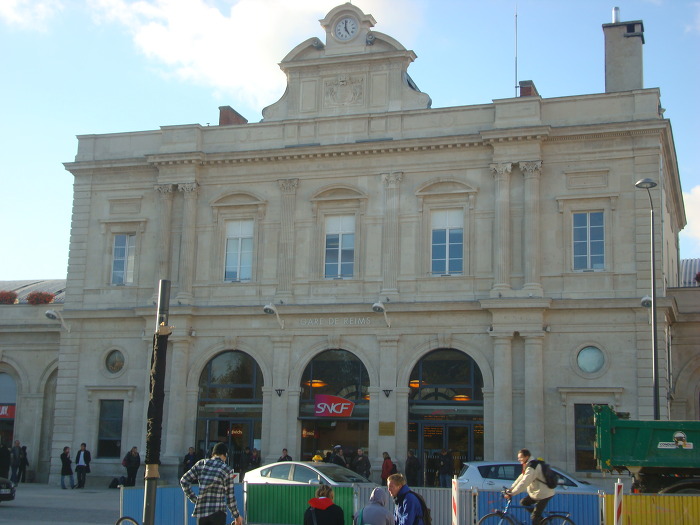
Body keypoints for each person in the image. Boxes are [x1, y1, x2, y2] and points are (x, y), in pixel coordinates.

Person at [181, 442, 243, 525]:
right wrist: (236, 516)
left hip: (202, 513)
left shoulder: (201, 464)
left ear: (213, 454)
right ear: (225, 455)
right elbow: (230, 497)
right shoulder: (226, 469)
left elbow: (184, 481)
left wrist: (195, 499)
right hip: (218, 513)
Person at [504, 448, 556, 525]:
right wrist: (511, 488)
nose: (519, 459)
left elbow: (524, 482)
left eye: (521, 457)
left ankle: (539, 520)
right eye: (518, 458)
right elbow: (521, 478)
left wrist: (513, 493)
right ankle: (542, 521)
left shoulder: (532, 467)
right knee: (524, 502)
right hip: (538, 493)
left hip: (544, 494)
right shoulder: (529, 465)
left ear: (527, 457)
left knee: (535, 517)